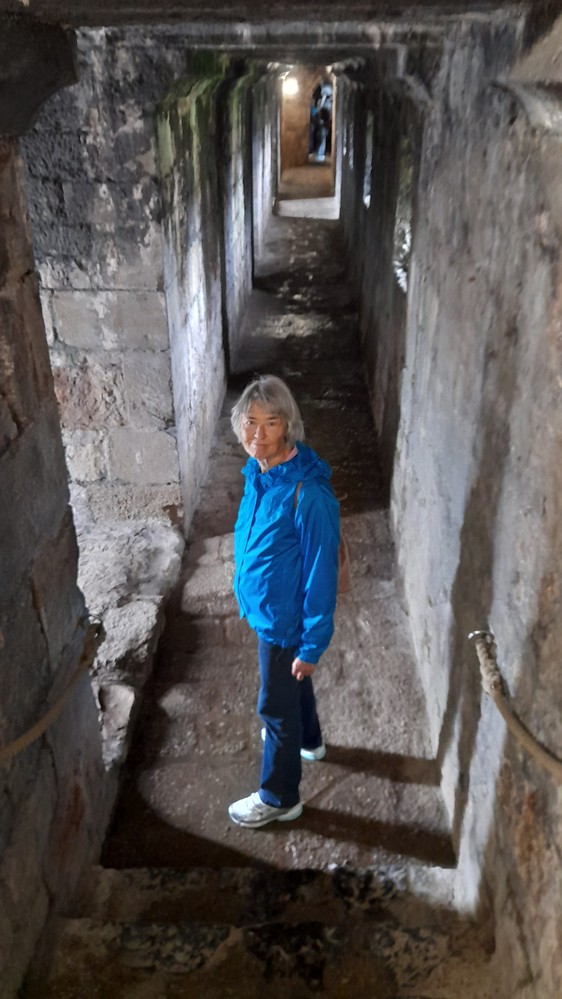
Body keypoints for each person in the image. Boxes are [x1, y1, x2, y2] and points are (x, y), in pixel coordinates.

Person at [228, 375, 340, 828]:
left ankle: (279, 797)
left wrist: (312, 645)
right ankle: (309, 741)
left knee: (274, 707)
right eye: (250, 422)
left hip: (284, 621)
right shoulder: (259, 473)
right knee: (292, 682)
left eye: (270, 423)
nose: (257, 434)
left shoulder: (308, 495)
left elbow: (321, 575)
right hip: (270, 610)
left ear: (288, 426)